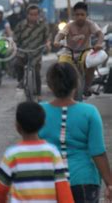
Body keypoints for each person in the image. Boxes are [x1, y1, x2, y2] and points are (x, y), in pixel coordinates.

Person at [39, 62, 112, 203]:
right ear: (76, 84)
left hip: (48, 181)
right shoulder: (89, 112)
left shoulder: (40, 112)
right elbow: (98, 152)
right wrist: (109, 183)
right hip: (84, 181)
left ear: (49, 85)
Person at [0, 101, 74, 203]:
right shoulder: (52, 153)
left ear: (17, 126)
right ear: (43, 124)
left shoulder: (12, 155)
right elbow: (63, 190)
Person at [53, 2, 105, 97]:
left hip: (85, 52)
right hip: (69, 52)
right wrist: (56, 41)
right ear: (73, 15)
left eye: (82, 15)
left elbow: (100, 34)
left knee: (91, 63)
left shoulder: (90, 24)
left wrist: (98, 44)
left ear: (86, 15)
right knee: (61, 66)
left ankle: (87, 87)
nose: (80, 17)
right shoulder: (69, 25)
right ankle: (63, 87)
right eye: (77, 15)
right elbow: (60, 34)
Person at [13, 4, 50, 93]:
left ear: (38, 15)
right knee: (17, 64)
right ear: (27, 15)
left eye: (35, 15)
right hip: (23, 51)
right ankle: (21, 80)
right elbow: (15, 38)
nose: (33, 17)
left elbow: (48, 37)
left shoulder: (43, 25)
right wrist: (14, 45)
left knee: (37, 73)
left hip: (36, 52)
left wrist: (48, 44)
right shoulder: (21, 25)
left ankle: (38, 94)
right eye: (31, 14)